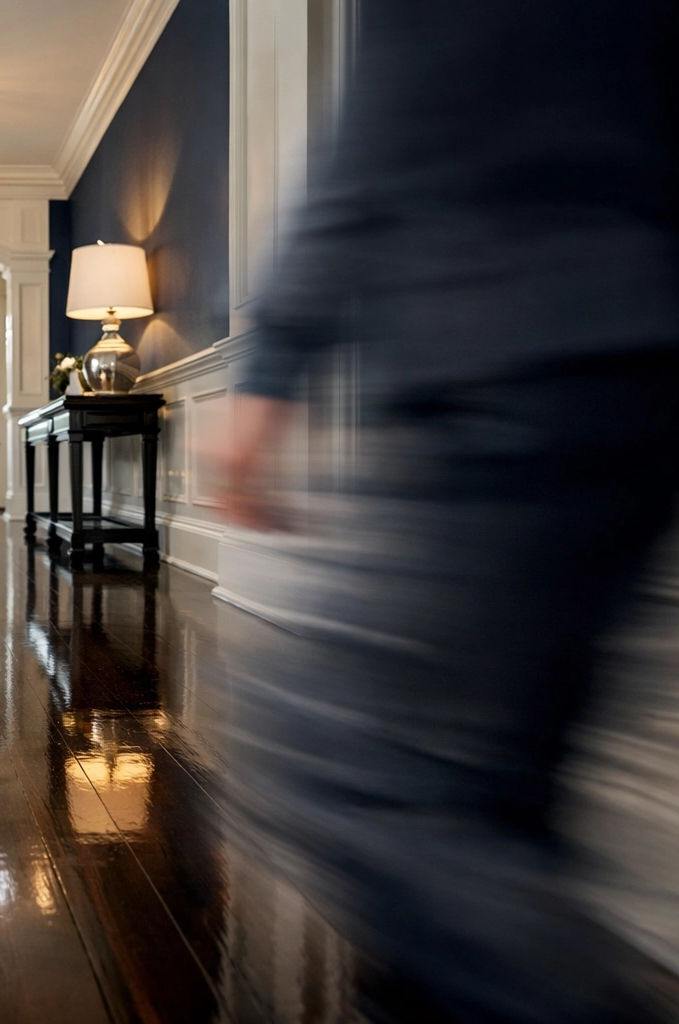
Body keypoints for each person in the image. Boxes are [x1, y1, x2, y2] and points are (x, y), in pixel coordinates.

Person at [218, 3, 679, 1021]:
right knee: (503, 792)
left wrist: (272, 366)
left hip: (503, 361)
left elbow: (379, 129)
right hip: (632, 364)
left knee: (330, 756)